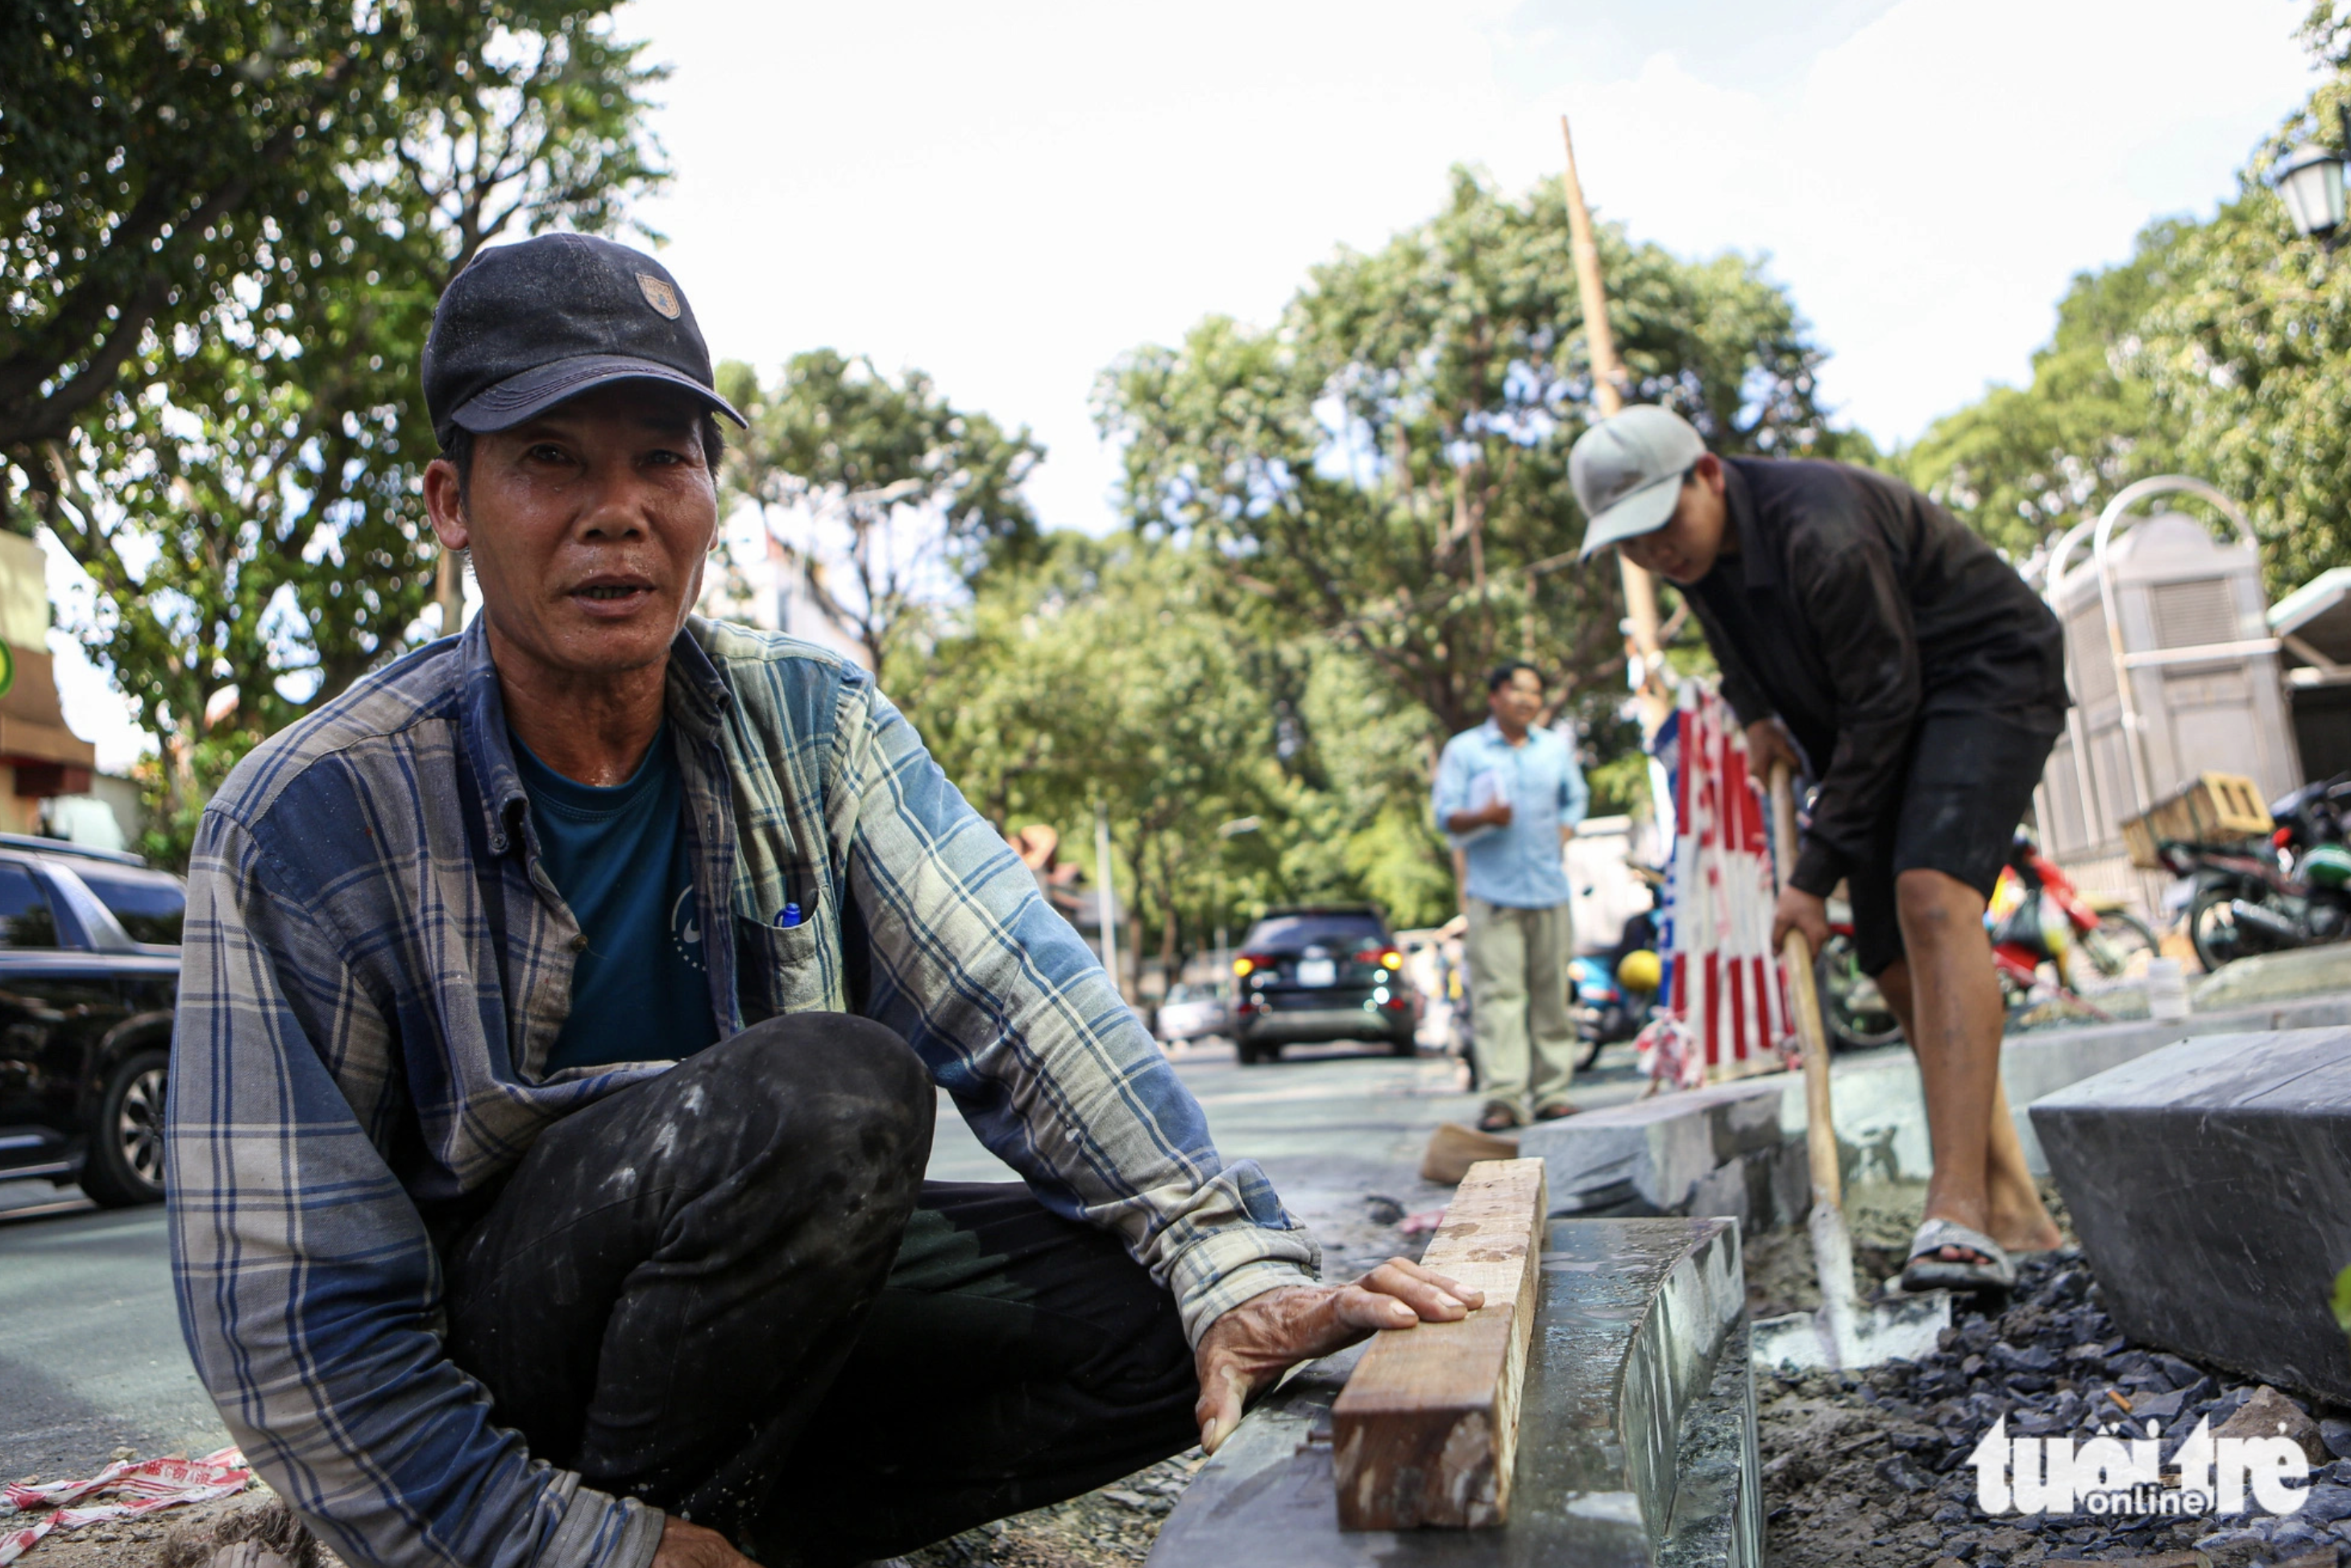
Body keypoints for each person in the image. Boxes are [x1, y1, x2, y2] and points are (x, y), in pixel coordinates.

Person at [166, 234, 1479, 1568]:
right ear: (453, 504)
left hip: (730, 1334)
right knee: (830, 1095)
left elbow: (1022, 999)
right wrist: (568, 1545)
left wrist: (1225, 1261)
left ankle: (724, 1541)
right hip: (498, 1378)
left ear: (709, 492)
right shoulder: (307, 821)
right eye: (552, 460)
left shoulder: (808, 721)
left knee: (1164, 1321)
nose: (617, 512)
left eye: (662, 460)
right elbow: (290, 1316)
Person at [1568, 404, 2067, 1293]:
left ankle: (1954, 1209)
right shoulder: (1697, 554)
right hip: (1877, 713)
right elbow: (1730, 631)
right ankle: (2018, 1213)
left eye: (1660, 525)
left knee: (1931, 895)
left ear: (1707, 473)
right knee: (1887, 956)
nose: (1654, 554)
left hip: (1979, 674)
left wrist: (1806, 880)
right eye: (1630, 543)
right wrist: (1755, 711)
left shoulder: (1818, 530)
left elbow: (1884, 701)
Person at [1432, 662, 1590, 1132]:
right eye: (1517, 690)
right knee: (1499, 998)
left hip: (1548, 889)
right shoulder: (1464, 750)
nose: (1527, 699)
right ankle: (1504, 1099)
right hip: (1493, 893)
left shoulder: (1554, 749)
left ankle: (1552, 1093)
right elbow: (1445, 816)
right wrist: (1482, 816)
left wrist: (1564, 832)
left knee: (1551, 996)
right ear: (1495, 697)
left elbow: (1575, 799)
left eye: (1535, 692)